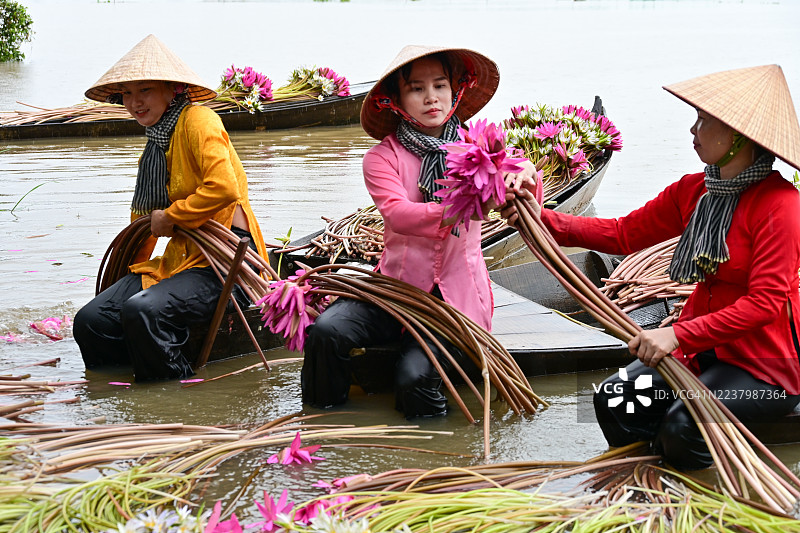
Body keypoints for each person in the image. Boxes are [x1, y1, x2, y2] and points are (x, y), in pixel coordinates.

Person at [502, 64, 800, 470]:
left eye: (704, 121)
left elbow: (764, 304)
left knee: (682, 428)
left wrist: (676, 334)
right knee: (614, 397)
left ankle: (698, 506)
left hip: (762, 367)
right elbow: (623, 234)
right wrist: (540, 217)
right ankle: (643, 484)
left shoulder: (781, 206)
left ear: (738, 136)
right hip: (701, 348)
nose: (693, 131)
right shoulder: (694, 190)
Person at [301, 45, 535, 418]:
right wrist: (461, 206)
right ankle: (319, 424)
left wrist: (526, 177)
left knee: (413, 378)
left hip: (455, 301)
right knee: (326, 332)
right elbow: (398, 215)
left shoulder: (480, 148)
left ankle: (437, 455)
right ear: (395, 100)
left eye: (440, 86)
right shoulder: (382, 157)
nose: (431, 98)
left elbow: (520, 174)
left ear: (455, 92)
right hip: (395, 291)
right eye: (416, 89)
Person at [73, 35, 267, 381]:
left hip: (224, 261)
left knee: (143, 312)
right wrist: (129, 277)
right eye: (127, 94)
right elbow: (145, 224)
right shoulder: (154, 147)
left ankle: (171, 398)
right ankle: (116, 393)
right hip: (179, 260)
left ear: (173, 88)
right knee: (92, 320)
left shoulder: (199, 120)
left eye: (144, 90)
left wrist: (172, 217)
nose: (134, 103)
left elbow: (224, 188)